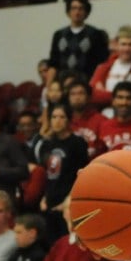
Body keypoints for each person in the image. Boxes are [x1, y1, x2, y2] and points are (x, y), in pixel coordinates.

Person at [37, 103, 89, 243]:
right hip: (50, 202)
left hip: (68, 202)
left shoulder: (77, 143)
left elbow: (82, 174)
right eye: (54, 117)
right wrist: (44, 197)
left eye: (61, 117)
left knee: (67, 243)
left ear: (69, 120)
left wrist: (69, 199)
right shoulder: (47, 144)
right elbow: (48, 174)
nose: (57, 120)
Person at [48, 0, 109, 82]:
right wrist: (48, 86)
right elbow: (53, 63)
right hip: (62, 81)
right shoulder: (59, 35)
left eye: (81, 8)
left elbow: (102, 63)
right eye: (74, 8)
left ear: (86, 12)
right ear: (68, 12)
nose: (77, 12)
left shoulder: (95, 34)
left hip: (86, 81)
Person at [98, 82, 131, 152]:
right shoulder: (102, 127)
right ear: (113, 101)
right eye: (120, 97)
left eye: (129, 98)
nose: (124, 102)